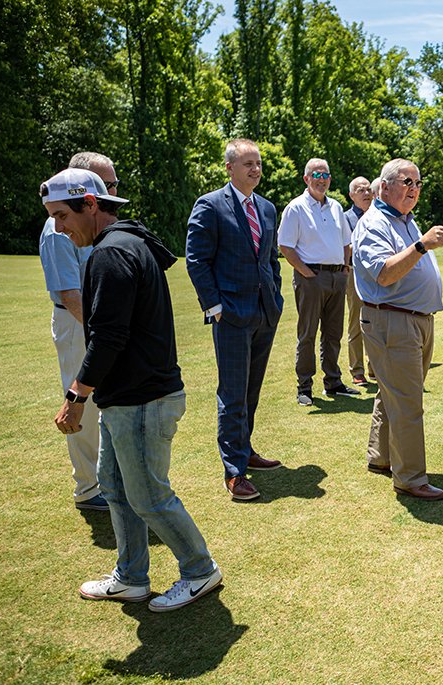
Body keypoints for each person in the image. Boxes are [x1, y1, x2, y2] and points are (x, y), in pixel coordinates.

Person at [42, 168, 221, 612]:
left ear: (90, 205)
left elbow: (108, 338)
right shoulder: (124, 243)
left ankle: (200, 570)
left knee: (149, 496)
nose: (59, 228)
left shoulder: (111, 254)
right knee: (115, 486)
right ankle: (131, 577)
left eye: (62, 216)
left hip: (143, 398)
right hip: (127, 397)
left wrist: (75, 397)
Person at [186, 139, 284, 502]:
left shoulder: (268, 208)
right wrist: (213, 306)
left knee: (251, 389)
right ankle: (234, 470)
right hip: (229, 315)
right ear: (229, 168)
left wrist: (275, 295)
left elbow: (270, 259)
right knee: (232, 393)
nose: (255, 169)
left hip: (264, 313)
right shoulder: (210, 206)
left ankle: (245, 449)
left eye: (258, 163)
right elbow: (196, 259)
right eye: (247, 164)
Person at [352, 159, 443, 501]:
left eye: (418, 183)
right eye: (407, 181)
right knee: (407, 401)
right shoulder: (373, 223)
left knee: (392, 393)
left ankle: (381, 456)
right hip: (392, 319)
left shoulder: (405, 219)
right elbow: (384, 274)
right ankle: (410, 477)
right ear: (385, 186)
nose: (413, 188)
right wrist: (421, 246)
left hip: (415, 319)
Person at [38, 151, 118, 512]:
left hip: (96, 319)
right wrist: (101, 332)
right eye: (107, 185)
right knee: (80, 401)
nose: (112, 191)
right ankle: (88, 488)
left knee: (104, 400)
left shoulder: (91, 222)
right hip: (77, 322)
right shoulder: (59, 231)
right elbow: (70, 294)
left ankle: (108, 478)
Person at [278, 157, 359, 406]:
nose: (321, 180)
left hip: (337, 276)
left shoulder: (335, 207)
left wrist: (345, 267)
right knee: (308, 334)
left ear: (330, 180)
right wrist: (306, 273)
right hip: (310, 277)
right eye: (316, 175)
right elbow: (285, 245)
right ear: (306, 178)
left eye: (325, 175)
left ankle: (333, 382)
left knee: (333, 334)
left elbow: (346, 241)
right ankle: (304, 387)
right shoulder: (296, 207)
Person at [345, 176, 375, 385]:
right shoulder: (345, 218)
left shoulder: (378, 215)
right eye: (360, 190)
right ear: (351, 195)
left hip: (378, 274)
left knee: (377, 320)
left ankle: (376, 367)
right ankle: (357, 370)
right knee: (356, 321)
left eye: (368, 189)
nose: (366, 193)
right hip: (354, 274)